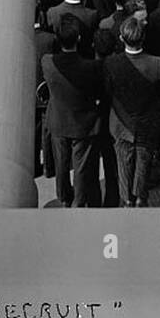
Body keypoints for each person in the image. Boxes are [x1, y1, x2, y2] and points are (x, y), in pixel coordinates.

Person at [102, 15, 160, 206]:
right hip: (147, 124)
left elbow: (108, 92)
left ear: (122, 38)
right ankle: (140, 198)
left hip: (122, 126)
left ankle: (127, 200)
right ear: (143, 37)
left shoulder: (111, 64)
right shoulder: (157, 63)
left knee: (123, 165)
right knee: (144, 165)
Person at [42, 15, 103, 207]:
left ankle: (64, 197)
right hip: (83, 124)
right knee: (81, 167)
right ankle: (79, 200)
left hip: (58, 121)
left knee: (61, 164)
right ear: (78, 39)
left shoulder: (47, 62)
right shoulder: (90, 67)